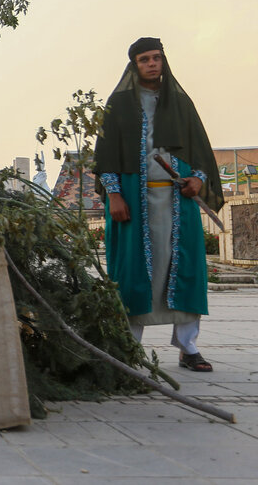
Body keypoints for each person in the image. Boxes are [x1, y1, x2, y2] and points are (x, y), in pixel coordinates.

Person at [94, 37, 223, 372]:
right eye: (144, 59)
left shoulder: (180, 103)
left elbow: (200, 149)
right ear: (134, 65)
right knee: (132, 271)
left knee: (187, 270)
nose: (152, 64)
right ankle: (127, 347)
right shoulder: (119, 104)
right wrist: (114, 194)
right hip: (134, 202)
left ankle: (188, 347)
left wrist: (197, 179)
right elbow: (105, 155)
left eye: (156, 58)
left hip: (178, 201)